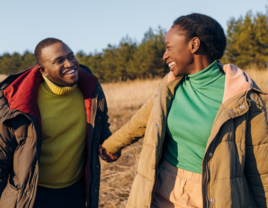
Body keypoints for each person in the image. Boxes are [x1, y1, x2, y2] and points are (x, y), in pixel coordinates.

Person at [99, 13, 268, 208]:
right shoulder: (170, 86)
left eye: (169, 47)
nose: (164, 55)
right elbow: (143, 118)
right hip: (163, 189)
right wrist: (112, 145)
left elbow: (261, 166)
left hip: (213, 197)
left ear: (194, 45)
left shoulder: (243, 96)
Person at [0, 38, 113, 208]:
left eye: (71, 56)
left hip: (75, 192)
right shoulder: (19, 103)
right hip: (32, 195)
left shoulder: (91, 89)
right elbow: (2, 158)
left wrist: (108, 143)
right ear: (43, 70)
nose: (70, 63)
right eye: (59, 60)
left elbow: (102, 124)